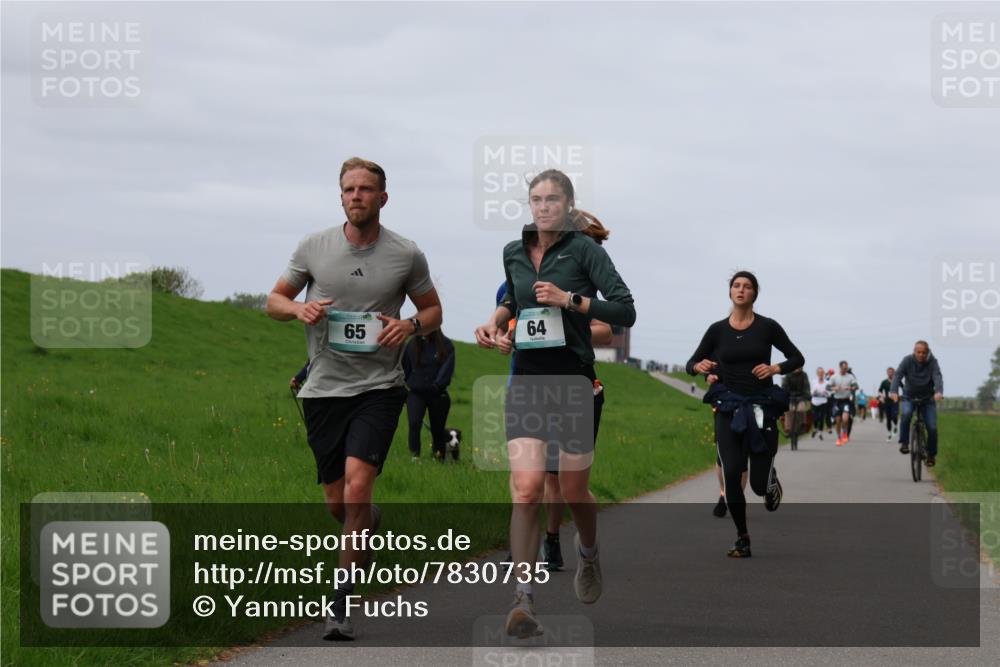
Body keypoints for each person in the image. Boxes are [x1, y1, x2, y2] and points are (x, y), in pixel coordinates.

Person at [266, 157, 442, 641]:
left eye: (366, 189)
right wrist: (298, 307)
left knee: (358, 488)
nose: (357, 196)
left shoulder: (405, 254)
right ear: (340, 195)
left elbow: (432, 312)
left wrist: (408, 326)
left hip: (380, 388)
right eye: (349, 189)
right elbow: (273, 301)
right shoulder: (314, 247)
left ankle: (340, 604)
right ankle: (366, 523)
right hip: (324, 386)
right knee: (337, 501)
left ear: (383, 198)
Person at [474, 169, 635, 638]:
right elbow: (515, 305)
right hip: (526, 380)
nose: (543, 207)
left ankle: (588, 552)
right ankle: (523, 599)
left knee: (570, 491)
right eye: (536, 200)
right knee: (525, 489)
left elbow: (625, 310)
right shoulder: (513, 253)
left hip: (573, 383)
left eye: (552, 199)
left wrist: (572, 300)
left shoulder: (586, 251)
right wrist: (496, 328)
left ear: (567, 205)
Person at [687, 270, 804, 558]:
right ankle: (742, 537)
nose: (741, 290)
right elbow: (692, 361)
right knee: (730, 473)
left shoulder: (767, 327)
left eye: (747, 286)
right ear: (730, 292)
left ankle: (770, 480)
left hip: (761, 404)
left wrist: (775, 368)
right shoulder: (717, 330)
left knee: (757, 484)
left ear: (754, 294)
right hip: (728, 406)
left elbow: (796, 357)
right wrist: (698, 367)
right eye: (736, 286)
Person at [402, 330, 456, 461]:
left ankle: (438, 457)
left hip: (438, 395)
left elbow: (447, 369)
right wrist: (404, 387)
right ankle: (415, 457)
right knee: (414, 424)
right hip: (416, 394)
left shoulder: (446, 345)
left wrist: (437, 385)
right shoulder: (411, 345)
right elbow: (405, 368)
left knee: (437, 429)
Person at [890, 341, 944, 466]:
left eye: (924, 353)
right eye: (918, 352)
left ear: (928, 352)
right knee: (906, 414)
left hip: (927, 399)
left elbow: (937, 376)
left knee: (932, 427)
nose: (921, 355)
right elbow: (898, 375)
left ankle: (931, 455)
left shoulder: (932, 362)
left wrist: (938, 392)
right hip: (909, 396)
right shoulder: (907, 360)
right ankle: (904, 443)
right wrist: (893, 391)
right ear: (914, 352)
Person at [827, 361, 858, 446]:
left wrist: (851, 388)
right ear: (840, 367)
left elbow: (856, 386)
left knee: (845, 419)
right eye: (844, 368)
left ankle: (844, 432)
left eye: (846, 368)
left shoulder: (850, 377)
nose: (845, 370)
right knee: (838, 421)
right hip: (837, 401)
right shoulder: (834, 377)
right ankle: (838, 437)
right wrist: (834, 388)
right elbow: (827, 387)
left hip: (846, 400)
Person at [781, 367, 811, 444]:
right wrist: (785, 394)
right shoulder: (788, 375)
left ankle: (802, 426)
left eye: (800, 367)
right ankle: (788, 428)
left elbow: (806, 386)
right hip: (790, 397)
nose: (798, 368)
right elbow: (784, 386)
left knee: (801, 409)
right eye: (796, 367)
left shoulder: (804, 375)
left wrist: (807, 395)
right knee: (789, 410)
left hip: (801, 397)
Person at [810, 366, 831, 440]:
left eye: (822, 373)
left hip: (823, 402)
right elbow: (811, 392)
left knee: (821, 418)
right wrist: (815, 392)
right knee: (815, 418)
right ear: (817, 374)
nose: (821, 374)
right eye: (819, 373)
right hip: (815, 402)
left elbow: (829, 393)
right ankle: (815, 428)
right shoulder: (814, 381)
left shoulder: (827, 382)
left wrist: (825, 393)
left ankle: (820, 433)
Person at [879, 366, 899, 441]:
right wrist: (882, 395)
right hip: (887, 402)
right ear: (887, 373)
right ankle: (889, 434)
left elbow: (904, 388)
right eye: (889, 372)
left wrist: (901, 396)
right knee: (888, 419)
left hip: (895, 401)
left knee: (894, 415)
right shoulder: (884, 382)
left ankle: (896, 426)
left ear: (894, 373)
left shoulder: (897, 381)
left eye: (891, 372)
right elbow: (880, 390)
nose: (890, 373)